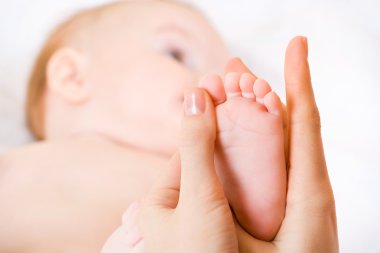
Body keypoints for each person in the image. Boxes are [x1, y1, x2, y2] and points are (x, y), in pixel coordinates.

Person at [0, 1, 289, 251]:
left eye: (219, 74)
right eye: (177, 55)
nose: (211, 84)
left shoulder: (196, 180)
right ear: (72, 77)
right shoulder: (17, 165)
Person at [102, 37, 339, 253]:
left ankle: (239, 203)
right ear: (71, 76)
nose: (203, 79)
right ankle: (242, 204)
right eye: (177, 55)